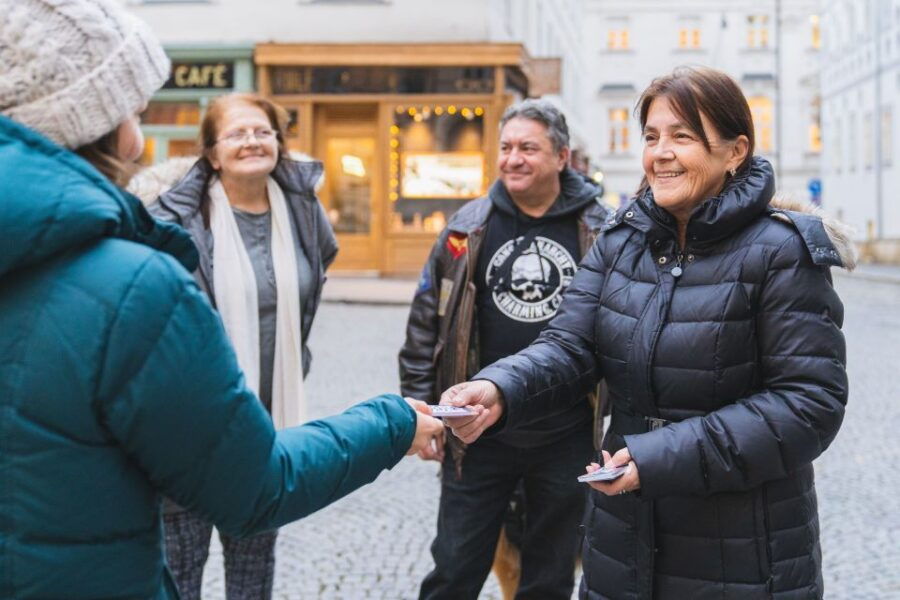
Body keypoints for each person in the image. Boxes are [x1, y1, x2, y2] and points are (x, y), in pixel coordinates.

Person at [0, 1, 443, 598]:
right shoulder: (137, 283)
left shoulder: (301, 216)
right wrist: (390, 422)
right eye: (136, 106)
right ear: (112, 128)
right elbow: (256, 486)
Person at [441, 67, 855, 599]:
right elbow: (570, 346)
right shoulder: (621, 241)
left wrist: (657, 458)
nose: (660, 152)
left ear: (734, 151)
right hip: (625, 540)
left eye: (682, 136)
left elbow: (808, 405)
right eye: (652, 136)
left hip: (744, 550)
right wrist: (500, 387)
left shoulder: (782, 251)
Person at [400, 99, 612, 600]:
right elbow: (425, 326)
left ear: (561, 157)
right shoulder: (465, 229)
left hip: (567, 434)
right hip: (477, 434)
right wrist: (417, 412)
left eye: (528, 148)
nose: (513, 158)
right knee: (454, 568)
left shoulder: (603, 231)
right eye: (506, 147)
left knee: (550, 576)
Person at [143, 92, 335, 599]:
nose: (252, 141)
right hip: (189, 425)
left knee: (253, 568)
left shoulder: (303, 213)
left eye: (262, 131)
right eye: (237, 133)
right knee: (180, 572)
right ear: (210, 153)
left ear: (279, 140)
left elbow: (310, 290)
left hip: (266, 423)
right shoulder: (175, 221)